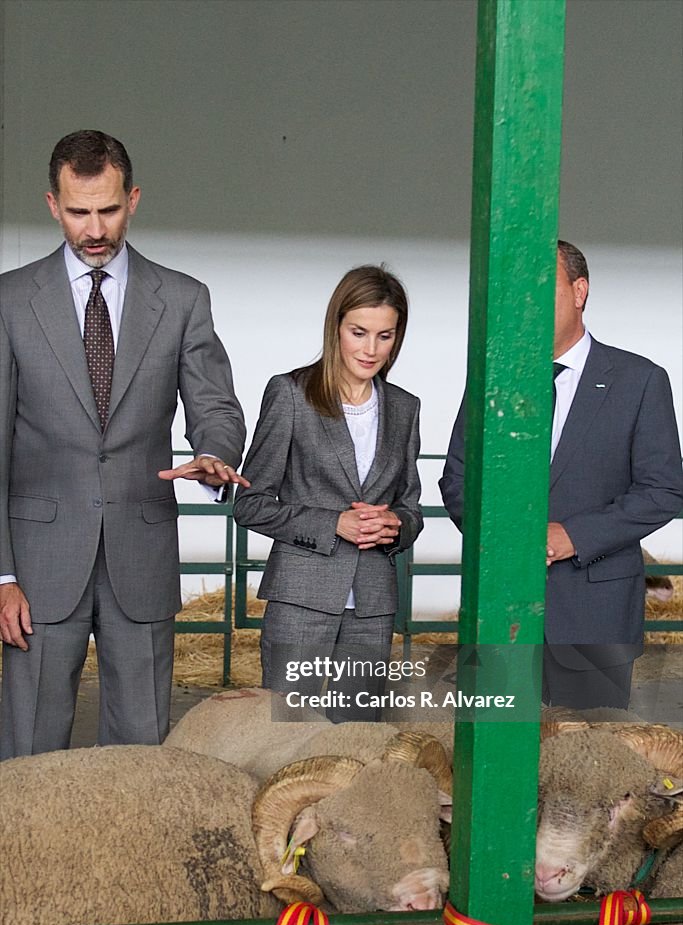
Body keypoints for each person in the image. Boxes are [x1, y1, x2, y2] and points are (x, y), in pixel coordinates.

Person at [0, 130, 247, 758]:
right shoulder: (9, 301)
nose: (95, 228)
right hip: (37, 562)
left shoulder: (184, 298)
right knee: (31, 747)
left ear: (132, 199)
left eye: (108, 209)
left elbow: (215, 403)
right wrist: (3, 575)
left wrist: (217, 454)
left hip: (141, 552)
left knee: (141, 749)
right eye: (79, 212)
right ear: (53, 205)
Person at [439, 240, 683, 709]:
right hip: (500, 613)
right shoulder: (492, 379)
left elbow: (662, 489)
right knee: (494, 761)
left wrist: (573, 536)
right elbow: (458, 478)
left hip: (596, 618)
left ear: (580, 291)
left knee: (587, 763)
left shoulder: (640, 380)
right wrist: (509, 539)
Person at [233, 265, 422, 719]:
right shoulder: (291, 394)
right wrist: (331, 523)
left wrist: (397, 525)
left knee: (354, 739)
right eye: (359, 332)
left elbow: (411, 505)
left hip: (373, 605)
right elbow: (250, 503)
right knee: (285, 736)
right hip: (301, 597)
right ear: (335, 325)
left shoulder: (404, 407)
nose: (371, 349)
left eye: (385, 336)